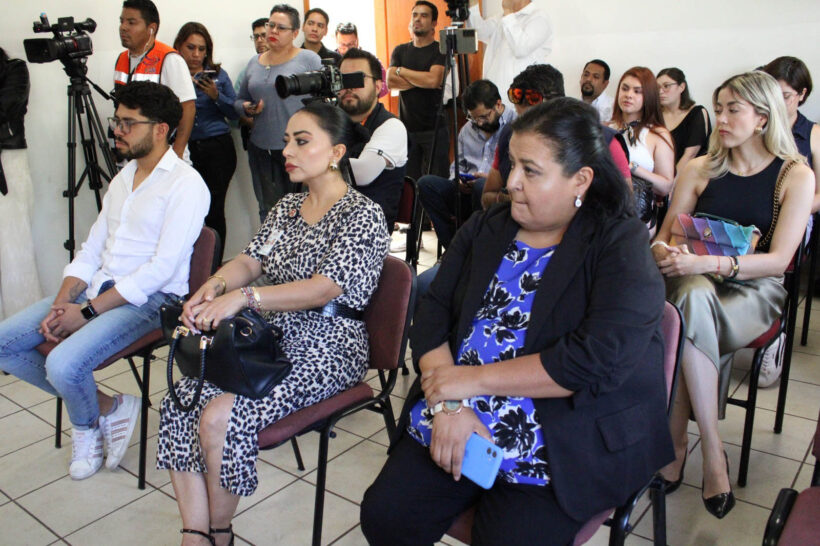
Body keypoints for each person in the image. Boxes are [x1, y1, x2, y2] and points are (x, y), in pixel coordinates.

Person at [361, 98, 673, 545]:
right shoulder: (489, 226)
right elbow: (432, 312)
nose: (511, 182)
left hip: (563, 431)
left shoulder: (617, 244)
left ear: (580, 179)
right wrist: (450, 406)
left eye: (531, 170)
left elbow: (590, 361)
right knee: (386, 517)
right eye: (511, 165)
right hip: (459, 408)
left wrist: (468, 382)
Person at [157, 102, 389, 546]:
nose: (287, 151)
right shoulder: (287, 207)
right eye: (287, 141)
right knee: (182, 399)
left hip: (330, 343)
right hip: (273, 333)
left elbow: (324, 288)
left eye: (302, 142)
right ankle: (195, 534)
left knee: (222, 415)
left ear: (336, 152)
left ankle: (219, 533)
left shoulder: (361, 214)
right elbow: (250, 260)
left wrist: (244, 298)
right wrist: (213, 286)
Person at [0, 81, 210, 481]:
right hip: (99, 290)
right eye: (117, 121)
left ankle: (85, 429)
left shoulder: (186, 184)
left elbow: (161, 269)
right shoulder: (123, 178)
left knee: (63, 365)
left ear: (161, 129)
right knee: (4, 342)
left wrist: (87, 312)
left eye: (129, 123)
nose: (118, 130)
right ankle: (108, 408)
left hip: (151, 301)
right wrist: (64, 302)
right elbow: (91, 249)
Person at [652, 71, 814, 519]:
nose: (720, 119)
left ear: (762, 118)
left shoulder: (795, 175)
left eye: (732, 110)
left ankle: (679, 443)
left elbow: (779, 261)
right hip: (693, 282)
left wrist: (709, 264)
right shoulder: (700, 168)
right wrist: (669, 252)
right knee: (691, 296)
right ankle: (712, 452)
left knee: (687, 305)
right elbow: (663, 238)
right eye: (718, 108)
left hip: (756, 290)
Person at [482, 64, 631, 208]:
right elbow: (487, 196)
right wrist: (510, 199)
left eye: (535, 120)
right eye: (522, 119)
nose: (527, 129)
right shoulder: (511, 135)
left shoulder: (603, 141)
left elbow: (625, 206)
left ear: (556, 103)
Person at [235, 4, 322, 222]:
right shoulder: (254, 63)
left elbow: (324, 102)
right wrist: (246, 107)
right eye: (270, 25)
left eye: (281, 28)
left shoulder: (308, 59)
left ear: (294, 33)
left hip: (299, 149)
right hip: (261, 148)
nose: (273, 31)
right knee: (269, 211)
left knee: (303, 210)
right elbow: (238, 100)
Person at [418, 79, 515, 249]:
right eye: (473, 117)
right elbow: (458, 164)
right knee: (426, 184)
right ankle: (454, 247)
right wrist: (457, 179)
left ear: (498, 105)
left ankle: (476, 249)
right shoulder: (467, 129)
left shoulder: (516, 125)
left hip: (496, 193)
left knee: (481, 186)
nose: (479, 123)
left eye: (483, 116)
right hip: (465, 192)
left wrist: (491, 180)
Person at [174, 22, 238, 266]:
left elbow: (235, 112)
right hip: (184, 149)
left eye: (202, 49)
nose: (196, 54)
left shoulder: (217, 76)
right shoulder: (171, 74)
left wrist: (216, 96)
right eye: (190, 47)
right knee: (187, 210)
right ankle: (190, 266)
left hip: (217, 148)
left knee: (214, 209)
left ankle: (213, 267)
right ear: (179, 47)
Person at [115, 0, 196, 160]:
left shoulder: (169, 59)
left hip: (164, 155)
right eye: (122, 21)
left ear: (151, 28)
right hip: (133, 154)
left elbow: (188, 108)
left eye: (131, 22)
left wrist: (177, 153)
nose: (123, 27)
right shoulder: (122, 59)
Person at [338, 48, 407, 232]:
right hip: (330, 223)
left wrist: (315, 164)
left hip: (367, 231)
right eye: (343, 80)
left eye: (357, 79)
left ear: (378, 86)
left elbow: (362, 173)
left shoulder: (392, 126)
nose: (349, 87)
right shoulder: (332, 123)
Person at [0, 47, 42, 321]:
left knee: (14, 250)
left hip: (8, 162)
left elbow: (6, 108)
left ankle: (21, 326)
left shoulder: (13, 68)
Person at [388, 1, 449, 181]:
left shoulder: (440, 50)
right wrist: (423, 78)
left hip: (434, 129)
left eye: (424, 16)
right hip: (407, 129)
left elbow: (433, 80)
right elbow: (390, 81)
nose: (417, 19)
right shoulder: (400, 50)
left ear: (434, 23)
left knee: (436, 182)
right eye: (415, 15)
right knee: (410, 182)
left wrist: (402, 71)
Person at [467, 0, 553, 109]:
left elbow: (521, 48)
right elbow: (478, 32)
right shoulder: (502, 17)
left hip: (518, 102)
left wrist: (508, 13)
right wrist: (473, 4)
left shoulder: (539, 18)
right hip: (494, 100)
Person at [762, 56, 820, 212]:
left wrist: (791, 213)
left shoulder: (814, 134)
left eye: (785, 96)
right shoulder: (755, 127)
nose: (776, 102)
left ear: (802, 94)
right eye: (771, 94)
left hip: (796, 213)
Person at [609, 67, 675, 199]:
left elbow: (666, 187)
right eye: (625, 89)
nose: (629, 95)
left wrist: (631, 167)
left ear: (648, 96)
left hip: (635, 206)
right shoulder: (607, 128)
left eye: (637, 91)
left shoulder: (657, 134)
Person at [657, 67, 712, 175]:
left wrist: (671, 181)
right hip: (659, 177)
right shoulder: (655, 115)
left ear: (681, 87)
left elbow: (690, 155)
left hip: (691, 175)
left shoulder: (697, 113)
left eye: (666, 86)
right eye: (657, 87)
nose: (660, 92)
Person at [234, 18, 269, 151]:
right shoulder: (247, 72)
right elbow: (236, 105)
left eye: (263, 35)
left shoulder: (286, 68)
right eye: (256, 37)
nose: (259, 40)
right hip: (255, 138)